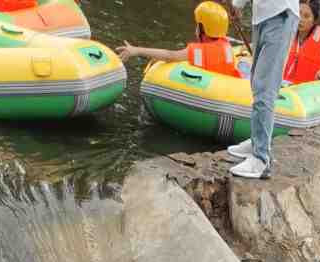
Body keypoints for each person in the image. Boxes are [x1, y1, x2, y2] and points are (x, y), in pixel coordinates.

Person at [220, 0, 298, 179]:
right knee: (257, 82)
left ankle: (261, 159)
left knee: (265, 87)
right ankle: (257, 141)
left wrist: (237, 4)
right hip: (263, 16)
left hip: (280, 14)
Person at [115, 1, 248, 75]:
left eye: (197, 24)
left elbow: (169, 55)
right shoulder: (226, 45)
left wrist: (136, 50)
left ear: (202, 29)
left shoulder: (198, 52)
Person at [282, 0, 320, 83]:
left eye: (306, 16)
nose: (301, 19)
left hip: (307, 90)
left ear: (314, 21)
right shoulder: (289, 34)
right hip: (286, 87)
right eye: (299, 13)